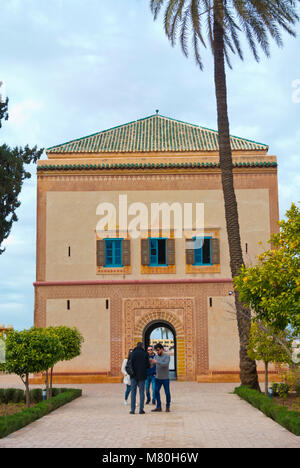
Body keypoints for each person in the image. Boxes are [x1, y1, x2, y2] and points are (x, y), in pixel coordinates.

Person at [129, 342, 150, 415]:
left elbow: (129, 364)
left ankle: (132, 410)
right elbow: (148, 365)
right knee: (141, 393)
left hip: (133, 376)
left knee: (133, 393)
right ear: (142, 346)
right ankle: (141, 409)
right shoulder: (145, 354)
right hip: (142, 376)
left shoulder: (132, 353)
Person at [151, 343, 171, 413]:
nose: (157, 352)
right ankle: (158, 407)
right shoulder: (156, 356)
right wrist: (150, 362)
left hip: (165, 378)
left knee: (167, 392)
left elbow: (165, 364)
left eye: (158, 350)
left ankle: (168, 406)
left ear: (162, 349)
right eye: (156, 350)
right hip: (157, 378)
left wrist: (157, 362)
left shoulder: (167, 356)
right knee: (156, 391)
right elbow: (153, 365)